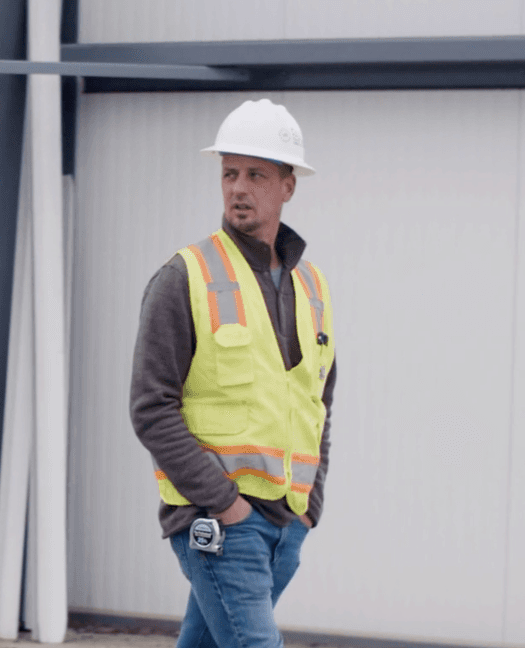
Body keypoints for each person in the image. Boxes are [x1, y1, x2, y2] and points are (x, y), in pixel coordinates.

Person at [130, 99, 337, 648]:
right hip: (221, 525)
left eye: (256, 175)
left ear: (288, 186)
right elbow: (151, 408)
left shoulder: (311, 287)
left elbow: (319, 402)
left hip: (285, 528)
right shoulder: (184, 277)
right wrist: (224, 504)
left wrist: (309, 508)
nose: (238, 188)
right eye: (229, 173)